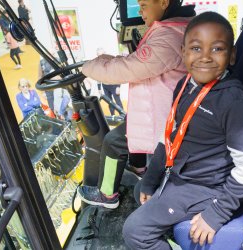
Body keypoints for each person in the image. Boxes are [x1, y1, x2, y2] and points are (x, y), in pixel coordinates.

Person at [122, 12, 243, 249]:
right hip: (182, 173)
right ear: (183, 52)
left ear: (232, 56)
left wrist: (216, 213)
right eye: (196, 49)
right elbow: (167, 136)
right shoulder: (185, 85)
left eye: (217, 49)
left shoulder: (234, 103)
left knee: (135, 231)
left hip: (206, 186)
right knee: (140, 189)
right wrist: (150, 177)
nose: (205, 57)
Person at [78, 0, 196, 209]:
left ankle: (107, 195)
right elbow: (139, 60)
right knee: (128, 125)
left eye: (143, 5)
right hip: (165, 108)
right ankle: (139, 168)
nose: (140, 11)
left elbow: (129, 68)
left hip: (163, 119)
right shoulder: (178, 27)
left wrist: (87, 67)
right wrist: (105, 59)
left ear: (163, 2)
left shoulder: (168, 36)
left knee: (113, 141)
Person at [95, 48, 123, 115]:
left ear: (105, 53)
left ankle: (123, 117)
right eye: (99, 55)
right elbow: (98, 76)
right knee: (109, 102)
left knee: (118, 102)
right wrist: (99, 88)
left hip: (114, 85)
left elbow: (118, 74)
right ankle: (113, 116)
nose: (100, 57)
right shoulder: (98, 65)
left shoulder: (112, 62)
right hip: (105, 86)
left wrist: (118, 87)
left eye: (102, 54)